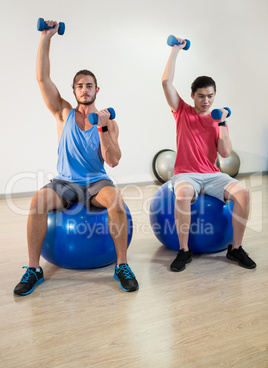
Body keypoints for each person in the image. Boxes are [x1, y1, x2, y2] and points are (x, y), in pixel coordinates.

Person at [14, 20, 139, 295]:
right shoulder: (63, 113)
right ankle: (34, 269)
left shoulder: (108, 122)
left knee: (116, 201)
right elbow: (42, 79)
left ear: (97, 90)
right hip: (65, 182)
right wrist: (46, 37)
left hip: (96, 182)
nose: (85, 89)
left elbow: (114, 160)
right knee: (37, 201)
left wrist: (103, 127)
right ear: (74, 91)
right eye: (80, 85)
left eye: (89, 85)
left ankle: (121, 265)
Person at [161, 36, 256, 272]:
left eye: (210, 96)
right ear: (192, 95)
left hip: (213, 175)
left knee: (243, 193)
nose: (206, 101)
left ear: (215, 96)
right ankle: (184, 251)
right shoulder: (181, 111)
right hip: (186, 174)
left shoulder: (217, 121)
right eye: (201, 96)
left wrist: (222, 123)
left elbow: (225, 153)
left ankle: (235, 248)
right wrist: (175, 50)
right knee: (182, 195)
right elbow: (165, 82)